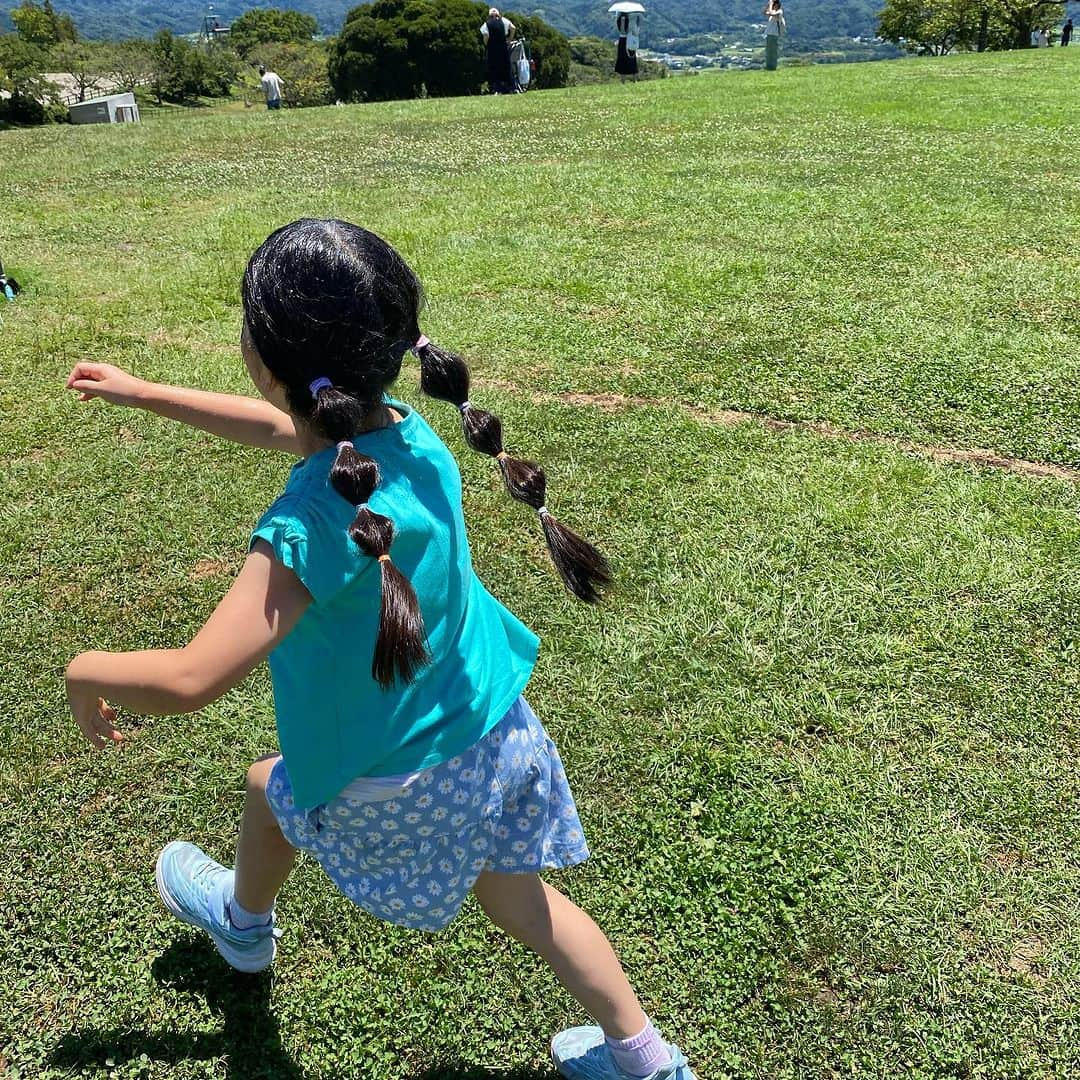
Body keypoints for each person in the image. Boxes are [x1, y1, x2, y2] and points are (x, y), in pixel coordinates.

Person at [63, 219, 696, 1080]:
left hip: (399, 779)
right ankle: (648, 1060)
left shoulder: (310, 525)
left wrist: (82, 672)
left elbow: (187, 679)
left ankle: (243, 928)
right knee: (526, 903)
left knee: (267, 787)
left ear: (266, 359)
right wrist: (146, 393)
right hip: (496, 736)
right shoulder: (417, 435)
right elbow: (281, 431)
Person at [480, 7, 515, 95]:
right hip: (503, 48)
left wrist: (486, 44)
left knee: (494, 68)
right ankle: (510, 88)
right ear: (498, 14)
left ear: (489, 16)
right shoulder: (504, 21)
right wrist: (509, 40)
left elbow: (486, 36)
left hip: (492, 49)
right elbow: (513, 28)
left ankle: (497, 89)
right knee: (506, 67)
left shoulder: (486, 24)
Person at [615, 12, 639, 82]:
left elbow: (622, 31)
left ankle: (623, 80)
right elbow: (634, 30)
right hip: (630, 40)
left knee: (622, 59)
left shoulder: (619, 19)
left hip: (622, 40)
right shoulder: (632, 18)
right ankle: (634, 80)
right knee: (632, 58)